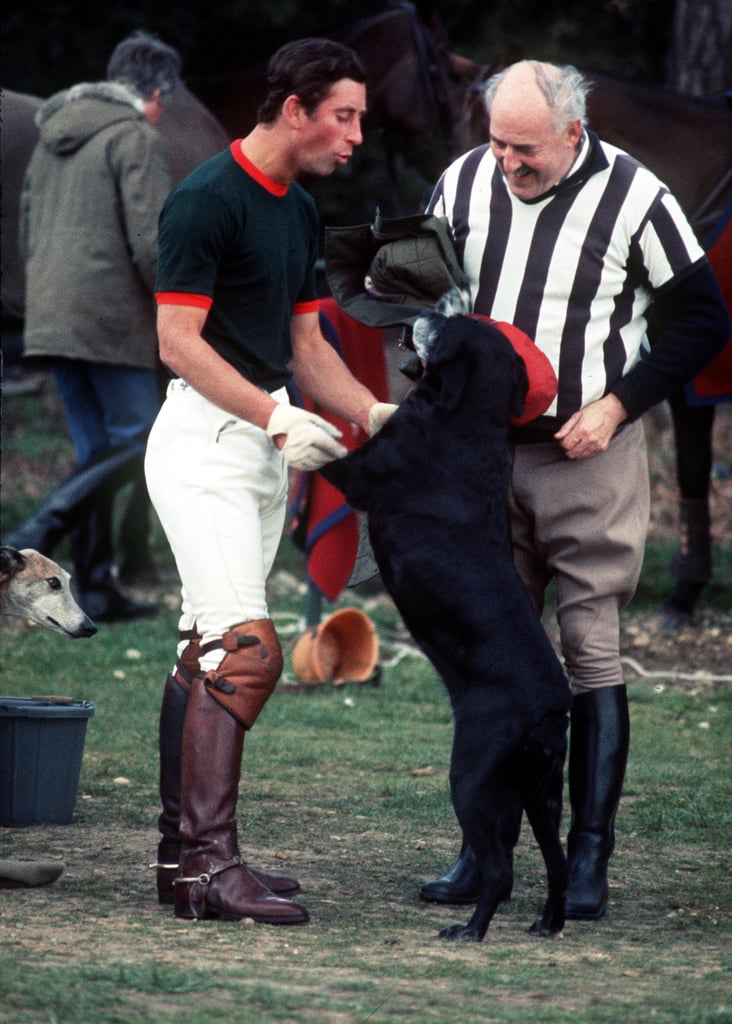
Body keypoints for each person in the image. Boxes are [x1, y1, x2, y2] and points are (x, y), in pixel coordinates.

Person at [419, 60, 729, 920]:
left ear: (572, 131)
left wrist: (620, 402)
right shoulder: (463, 179)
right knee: (493, 655)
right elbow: (429, 290)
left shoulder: (637, 196)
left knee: (588, 649)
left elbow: (704, 319)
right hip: (485, 454)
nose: (508, 161)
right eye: (497, 141)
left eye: (525, 148)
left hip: (586, 452)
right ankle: (483, 850)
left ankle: (589, 859)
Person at [144, 37, 396, 926]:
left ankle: (182, 862)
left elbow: (307, 348)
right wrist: (275, 416)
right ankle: (215, 867)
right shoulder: (206, 198)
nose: (357, 134)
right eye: (344, 115)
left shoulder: (295, 213)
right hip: (202, 444)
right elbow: (178, 344)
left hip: (254, 447)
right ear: (295, 109)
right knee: (246, 652)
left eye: (359, 117)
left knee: (204, 652)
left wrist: (375, 413)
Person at [6, 31, 181, 619]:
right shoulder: (136, 136)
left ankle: (98, 588)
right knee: (142, 439)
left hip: (51, 312)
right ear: (155, 91)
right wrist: (176, 306)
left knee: (96, 451)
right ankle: (40, 525)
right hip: (109, 317)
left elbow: (26, 225)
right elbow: (152, 241)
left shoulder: (50, 135)